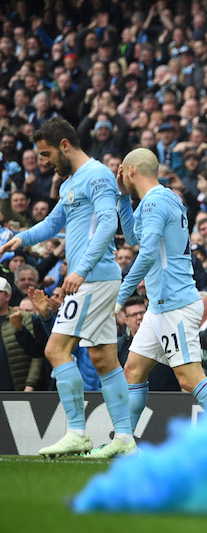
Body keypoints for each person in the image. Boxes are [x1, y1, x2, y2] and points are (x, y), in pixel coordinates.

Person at [0, 117, 132, 458]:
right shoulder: (72, 183)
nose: (44, 162)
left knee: (56, 350)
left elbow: (107, 222)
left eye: (46, 154)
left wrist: (82, 269)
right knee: (103, 358)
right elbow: (54, 223)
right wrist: (21, 238)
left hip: (94, 277)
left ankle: (77, 432)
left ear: (64, 145)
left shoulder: (99, 175)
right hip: (96, 277)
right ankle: (125, 439)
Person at [116, 148, 207, 448]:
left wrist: (121, 295)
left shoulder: (154, 203)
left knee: (190, 379)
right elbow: (132, 239)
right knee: (133, 370)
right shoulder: (165, 198)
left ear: (130, 171)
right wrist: (122, 199)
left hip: (175, 304)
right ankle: (125, 441)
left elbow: (148, 251)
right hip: (160, 305)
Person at [116, 296, 179, 393]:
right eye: (134, 314)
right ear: (126, 320)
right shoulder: (120, 345)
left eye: (142, 313)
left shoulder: (165, 339)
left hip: (168, 399)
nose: (139, 317)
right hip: (133, 397)